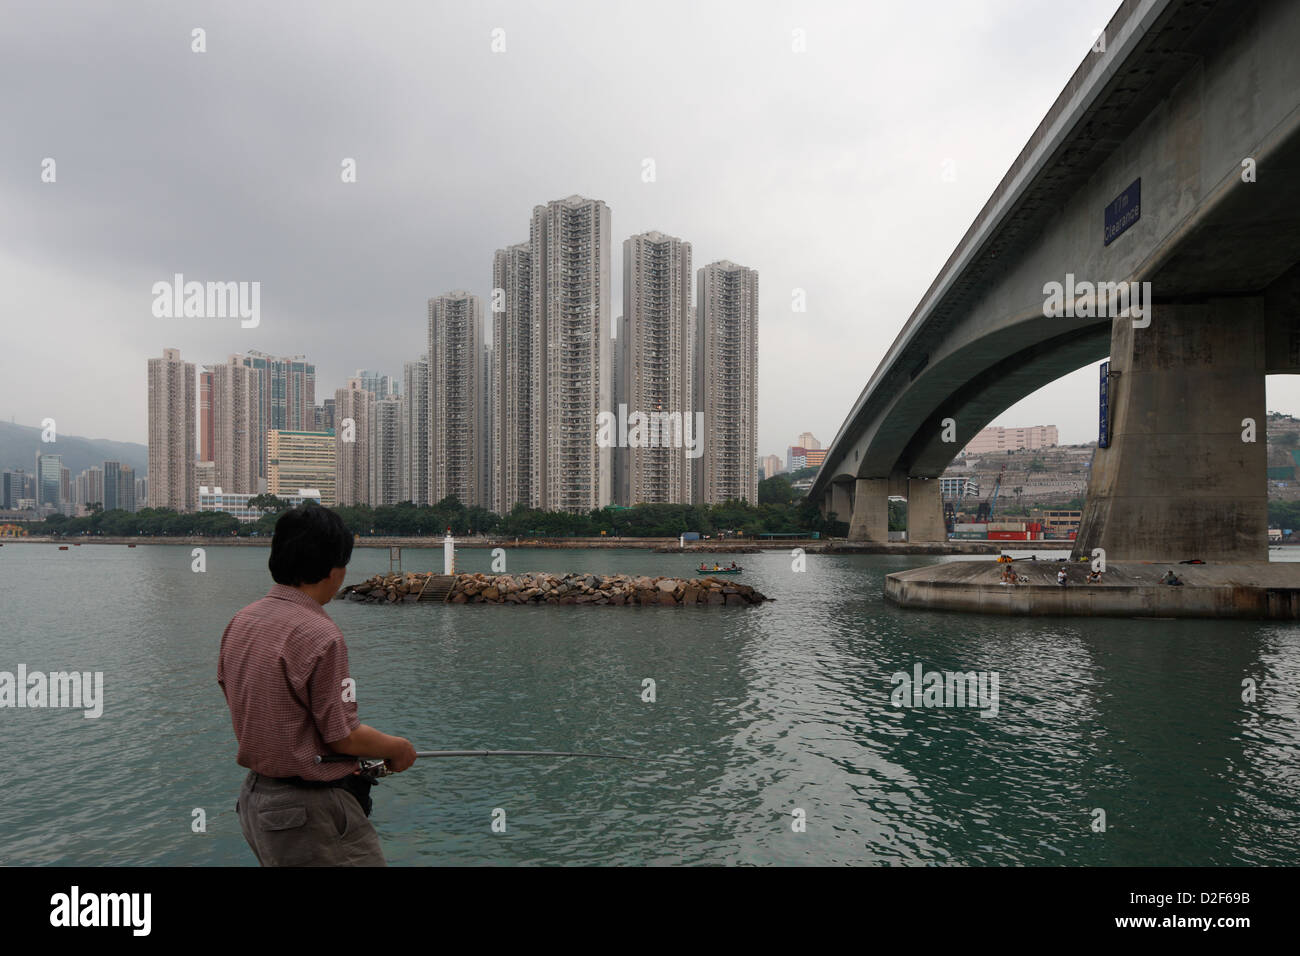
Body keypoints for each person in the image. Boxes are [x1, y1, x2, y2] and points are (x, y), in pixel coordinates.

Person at [218, 502, 417, 866]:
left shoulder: (241, 621)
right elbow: (342, 735)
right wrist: (398, 747)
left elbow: (241, 697)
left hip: (256, 801)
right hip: (308, 810)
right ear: (334, 569)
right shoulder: (320, 633)